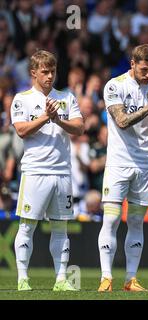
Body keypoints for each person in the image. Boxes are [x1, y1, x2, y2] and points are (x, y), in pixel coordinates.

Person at [97, 44, 148, 292]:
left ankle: (130, 279)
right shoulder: (114, 85)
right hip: (119, 162)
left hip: (145, 164)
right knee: (112, 219)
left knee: (137, 222)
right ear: (133, 64)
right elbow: (122, 121)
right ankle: (106, 277)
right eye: (144, 69)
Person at [11, 50, 84, 291]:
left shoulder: (66, 97)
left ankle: (61, 279)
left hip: (62, 172)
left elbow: (79, 128)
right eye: (45, 72)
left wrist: (57, 119)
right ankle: (23, 278)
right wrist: (45, 117)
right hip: (35, 171)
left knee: (60, 227)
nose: (50, 76)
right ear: (33, 73)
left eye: (53, 71)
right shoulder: (22, 99)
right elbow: (21, 130)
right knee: (27, 225)